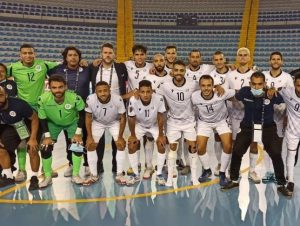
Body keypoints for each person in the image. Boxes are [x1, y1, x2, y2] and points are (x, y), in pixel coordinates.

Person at [222, 71, 289, 196]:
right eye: (254, 84)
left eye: (259, 84)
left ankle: (281, 184)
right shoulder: (245, 91)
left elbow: (287, 99)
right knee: (236, 151)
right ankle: (234, 179)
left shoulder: (272, 94)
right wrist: (220, 93)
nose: (256, 87)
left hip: (267, 127)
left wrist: (274, 90)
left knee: (276, 153)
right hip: (248, 126)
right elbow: (232, 96)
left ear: (264, 83)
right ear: (250, 83)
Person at [7, 43, 59, 182]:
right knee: (23, 141)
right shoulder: (13, 68)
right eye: (24, 53)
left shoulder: (43, 65)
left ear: (34, 54)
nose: (28, 56)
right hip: (21, 112)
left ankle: (46, 168)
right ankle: (22, 169)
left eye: (30, 53)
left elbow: (63, 64)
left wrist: (84, 62)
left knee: (44, 140)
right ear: (20, 55)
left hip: (41, 110)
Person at [48, 46, 92, 178]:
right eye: (70, 55)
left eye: (75, 55)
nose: (73, 57)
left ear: (79, 57)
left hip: (82, 109)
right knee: (69, 139)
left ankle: (86, 165)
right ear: (65, 57)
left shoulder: (86, 70)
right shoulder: (57, 69)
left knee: (82, 137)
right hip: (65, 109)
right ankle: (72, 163)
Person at [38, 74, 85, 188]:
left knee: (77, 146)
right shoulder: (43, 99)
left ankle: (75, 175)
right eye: (54, 87)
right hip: (52, 124)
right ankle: (48, 176)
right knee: (45, 147)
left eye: (60, 87)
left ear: (65, 87)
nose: (57, 90)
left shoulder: (75, 98)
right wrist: (47, 137)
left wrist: (78, 134)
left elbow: (83, 115)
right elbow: (42, 119)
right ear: (49, 88)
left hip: (71, 123)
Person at [90, 43, 131, 175]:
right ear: (101, 54)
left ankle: (116, 167)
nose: (107, 55)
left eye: (110, 53)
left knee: (117, 139)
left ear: (114, 54)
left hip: (116, 107)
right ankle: (98, 166)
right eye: (105, 53)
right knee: (98, 140)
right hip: (98, 108)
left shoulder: (121, 67)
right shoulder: (94, 67)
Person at [157, 60, 199, 186]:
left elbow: (206, 88)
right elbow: (155, 96)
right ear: (172, 71)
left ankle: (195, 177)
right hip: (173, 122)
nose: (179, 72)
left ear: (185, 71)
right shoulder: (165, 85)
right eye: (176, 70)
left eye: (181, 70)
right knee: (172, 150)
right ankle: (170, 178)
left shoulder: (193, 84)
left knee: (192, 148)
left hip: (189, 121)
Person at [192, 75, 235, 186]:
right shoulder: (194, 96)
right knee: (200, 147)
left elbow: (237, 92)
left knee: (228, 145)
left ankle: (222, 173)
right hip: (204, 122)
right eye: (203, 86)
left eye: (209, 85)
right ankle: (207, 170)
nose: (206, 88)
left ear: (213, 86)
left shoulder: (221, 93)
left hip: (221, 121)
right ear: (199, 86)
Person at [227, 47, 260, 183]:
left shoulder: (256, 74)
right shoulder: (229, 75)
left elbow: (260, 94)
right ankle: (235, 170)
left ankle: (252, 171)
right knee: (235, 144)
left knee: (254, 143)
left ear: (249, 57)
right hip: (235, 116)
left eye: (245, 55)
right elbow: (226, 94)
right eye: (240, 55)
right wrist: (239, 96)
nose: (242, 57)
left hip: (254, 116)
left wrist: (242, 95)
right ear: (237, 57)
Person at [84, 81, 126, 186]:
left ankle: (119, 174)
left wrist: (120, 137)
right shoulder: (90, 99)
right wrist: (89, 136)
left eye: (105, 90)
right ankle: (93, 175)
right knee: (90, 145)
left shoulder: (118, 99)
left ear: (109, 90)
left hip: (114, 122)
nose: (103, 93)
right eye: (100, 91)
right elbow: (88, 117)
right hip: (98, 122)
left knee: (120, 144)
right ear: (95, 92)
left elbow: (122, 118)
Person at [262, 51, 294, 183]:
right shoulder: (263, 75)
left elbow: (292, 99)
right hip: (266, 116)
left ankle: (277, 171)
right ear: (269, 61)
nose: (275, 61)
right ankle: (268, 172)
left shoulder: (287, 78)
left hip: (280, 117)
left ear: (282, 61)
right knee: (266, 145)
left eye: (278, 59)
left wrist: (287, 116)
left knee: (278, 146)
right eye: (273, 59)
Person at [127, 80, 167, 185]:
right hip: (140, 125)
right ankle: (135, 174)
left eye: (148, 92)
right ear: (138, 92)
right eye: (142, 92)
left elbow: (160, 116)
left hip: (154, 125)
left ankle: (159, 174)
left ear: (152, 91)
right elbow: (131, 118)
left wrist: (161, 135)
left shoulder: (159, 99)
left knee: (162, 144)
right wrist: (132, 135)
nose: (145, 94)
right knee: (131, 145)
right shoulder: (133, 100)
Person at [0, 87, 39, 190]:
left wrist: (33, 138)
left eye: (0, 95)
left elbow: (34, 118)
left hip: (28, 125)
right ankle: (8, 176)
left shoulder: (19, 104)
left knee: (32, 150)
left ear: (6, 95)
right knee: (1, 148)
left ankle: (34, 178)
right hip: (12, 126)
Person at [271, 72, 300, 196]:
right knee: (291, 155)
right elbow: (276, 90)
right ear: (294, 85)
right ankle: (291, 181)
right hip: (293, 131)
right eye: (299, 85)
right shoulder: (287, 91)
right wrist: (272, 89)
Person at [209, 51, 232, 176]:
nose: (218, 62)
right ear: (213, 62)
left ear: (225, 60)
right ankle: (219, 163)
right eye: (216, 60)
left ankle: (230, 164)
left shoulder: (232, 73)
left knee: (230, 140)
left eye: (220, 59)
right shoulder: (211, 75)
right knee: (218, 138)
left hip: (234, 111)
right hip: (218, 112)